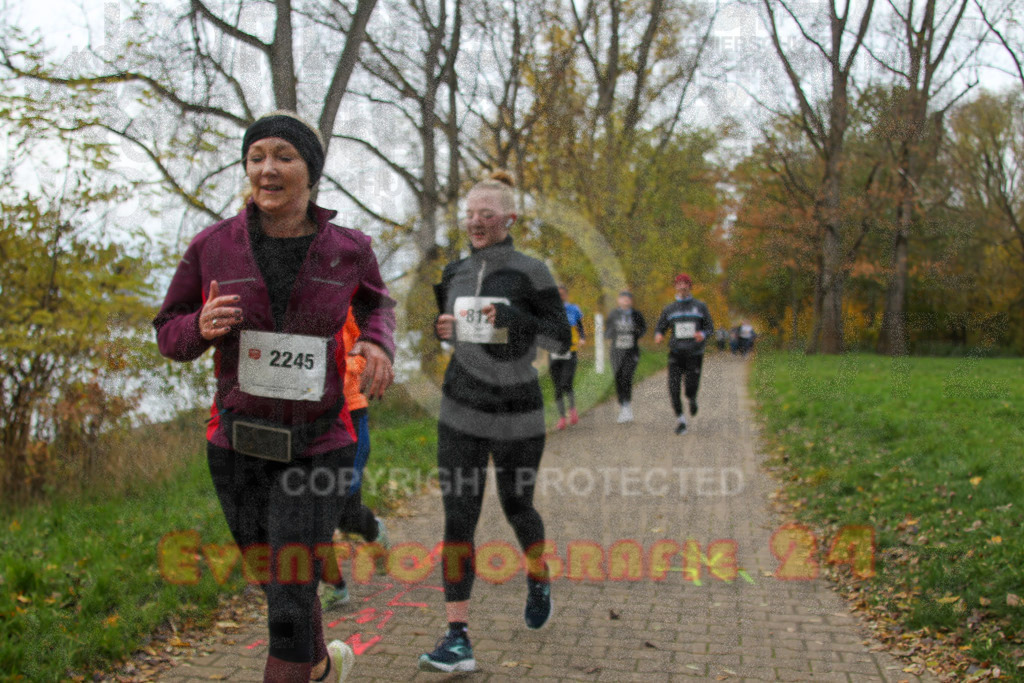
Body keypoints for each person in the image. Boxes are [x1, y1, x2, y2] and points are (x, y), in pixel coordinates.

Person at [153, 112, 396, 683]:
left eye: (284, 156)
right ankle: (323, 664)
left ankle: (302, 665)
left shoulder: (348, 248)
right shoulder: (212, 246)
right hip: (237, 444)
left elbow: (377, 305)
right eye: (257, 155)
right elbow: (168, 328)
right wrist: (199, 328)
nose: (268, 168)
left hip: (319, 445)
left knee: (290, 589)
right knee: (278, 583)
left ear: (309, 171)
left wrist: (380, 347)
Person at [422, 171, 571, 673]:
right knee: (458, 517)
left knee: (516, 506)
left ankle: (538, 575)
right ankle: (457, 636)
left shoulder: (533, 271)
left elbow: (559, 339)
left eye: (487, 214)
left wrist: (503, 320)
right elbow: (452, 329)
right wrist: (443, 327)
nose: (476, 222)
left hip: (516, 410)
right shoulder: (453, 271)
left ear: (509, 219)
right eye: (470, 214)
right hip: (460, 406)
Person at [322, 310, 392, 609]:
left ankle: (373, 530)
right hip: (307, 414)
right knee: (313, 511)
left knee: (345, 513)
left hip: (349, 411)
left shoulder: (346, 297)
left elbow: (369, 346)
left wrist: (338, 368)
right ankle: (335, 586)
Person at [653, 273, 713, 436]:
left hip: (695, 353)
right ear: (675, 287)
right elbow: (660, 327)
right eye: (679, 284)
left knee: (690, 387)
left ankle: (692, 399)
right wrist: (659, 335)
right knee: (673, 388)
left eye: (685, 283)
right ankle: (681, 420)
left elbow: (710, 328)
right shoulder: (669, 309)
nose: (682, 287)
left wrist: (703, 334)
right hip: (676, 353)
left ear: (690, 286)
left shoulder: (700, 307)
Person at [604, 290, 646, 423]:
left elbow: (643, 327)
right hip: (616, 352)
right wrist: (607, 335)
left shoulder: (636, 314)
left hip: (631, 352)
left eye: (628, 299)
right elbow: (608, 329)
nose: (626, 301)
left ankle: (627, 406)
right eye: (623, 298)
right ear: (618, 301)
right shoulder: (613, 314)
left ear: (631, 301)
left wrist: (637, 335)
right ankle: (622, 405)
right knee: (618, 377)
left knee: (627, 376)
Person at [549, 285, 586, 430]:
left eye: (562, 294)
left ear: (566, 295)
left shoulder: (573, 309)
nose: (559, 297)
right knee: (557, 387)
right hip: (554, 352)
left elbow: (581, 327)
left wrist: (582, 338)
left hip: (570, 351)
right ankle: (562, 418)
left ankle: (572, 410)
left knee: (566, 383)